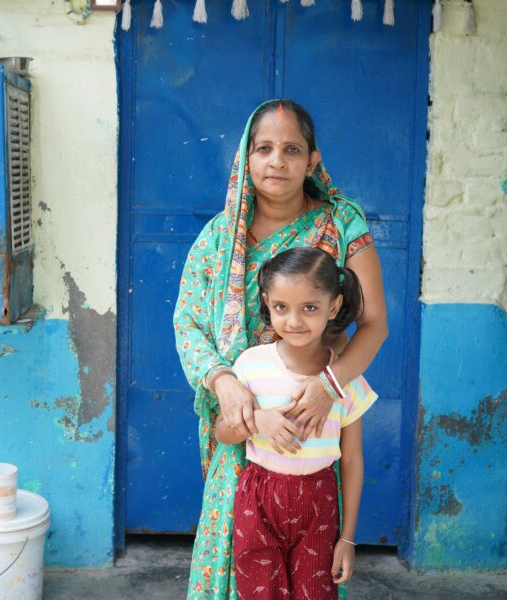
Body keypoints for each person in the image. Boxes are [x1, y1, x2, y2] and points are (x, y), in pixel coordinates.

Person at [173, 99, 388, 599]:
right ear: (246, 159)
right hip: (242, 419)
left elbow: (374, 325)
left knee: (310, 575)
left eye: (292, 150)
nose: (277, 161)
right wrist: (226, 384)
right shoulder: (218, 239)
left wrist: (328, 387)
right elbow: (187, 323)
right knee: (242, 567)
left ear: (313, 160)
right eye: (264, 148)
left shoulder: (340, 222)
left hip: (312, 415)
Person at [216, 247, 375, 600]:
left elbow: (352, 460)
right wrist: (256, 421)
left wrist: (347, 539)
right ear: (267, 303)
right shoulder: (251, 365)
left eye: (310, 308)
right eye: (281, 307)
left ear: (333, 307)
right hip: (258, 498)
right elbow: (222, 432)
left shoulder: (345, 379)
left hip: (319, 502)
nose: (294, 321)